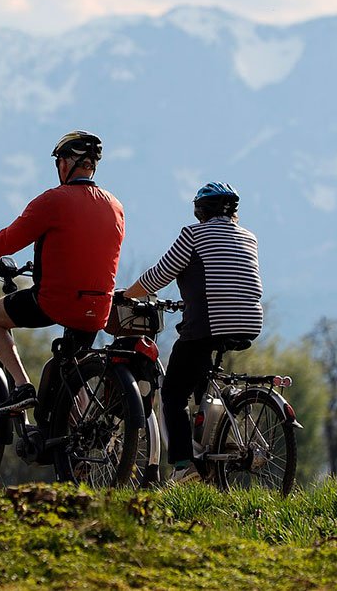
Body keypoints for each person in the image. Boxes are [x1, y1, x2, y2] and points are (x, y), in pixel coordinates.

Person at [0, 130, 125, 412]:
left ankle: (22, 386)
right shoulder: (115, 206)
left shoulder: (54, 200)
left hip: (56, 302)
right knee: (69, 371)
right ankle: (75, 445)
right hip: (99, 307)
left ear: (66, 164)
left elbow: (12, 238)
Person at [121, 182, 263, 483]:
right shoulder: (249, 238)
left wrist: (126, 295)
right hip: (249, 322)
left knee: (173, 393)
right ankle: (217, 438)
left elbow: (159, 274)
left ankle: (185, 465)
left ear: (200, 210)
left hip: (210, 322)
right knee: (203, 379)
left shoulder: (194, 235)